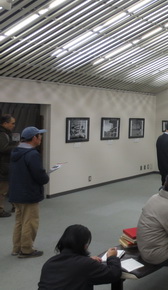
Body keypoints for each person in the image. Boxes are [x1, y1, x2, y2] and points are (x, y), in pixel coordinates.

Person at [38, 224, 122, 289]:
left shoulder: (49, 263)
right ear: (84, 245)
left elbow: (71, 270)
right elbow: (114, 274)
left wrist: (87, 260)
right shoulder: (86, 264)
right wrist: (112, 257)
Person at [9, 126, 49, 258]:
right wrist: (45, 176)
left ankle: (17, 248)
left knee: (19, 221)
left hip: (16, 192)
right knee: (30, 222)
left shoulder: (16, 151)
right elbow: (39, 176)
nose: (41, 138)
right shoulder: (32, 154)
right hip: (28, 193)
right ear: (34, 138)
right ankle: (26, 249)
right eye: (39, 136)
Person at [0, 114, 17, 217]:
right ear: (5, 123)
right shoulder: (2, 134)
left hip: (7, 165)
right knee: (2, 190)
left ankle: (15, 205)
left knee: (9, 187)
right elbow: (3, 149)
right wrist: (17, 146)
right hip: (3, 166)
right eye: (12, 123)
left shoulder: (6, 133)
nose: (14, 125)